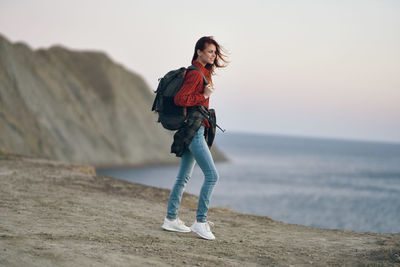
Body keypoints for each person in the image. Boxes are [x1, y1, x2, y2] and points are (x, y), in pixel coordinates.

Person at [161, 36, 228, 240]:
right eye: (209, 51)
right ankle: (200, 221)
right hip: (194, 131)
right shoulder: (196, 74)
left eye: (215, 52)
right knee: (212, 175)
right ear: (198, 51)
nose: (213, 55)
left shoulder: (202, 72)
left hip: (192, 129)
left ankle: (171, 219)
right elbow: (180, 98)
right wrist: (204, 96)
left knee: (183, 177)